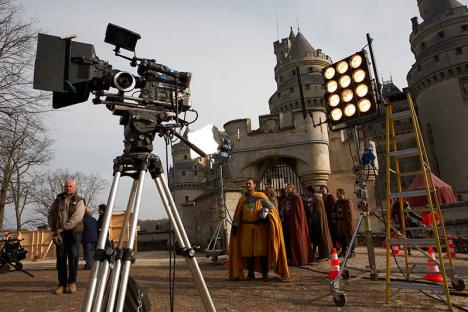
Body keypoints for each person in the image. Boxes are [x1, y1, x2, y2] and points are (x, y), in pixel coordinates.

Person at [229, 178, 289, 281]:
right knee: (248, 252)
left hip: (259, 228)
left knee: (261, 251)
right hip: (245, 228)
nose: (248, 186)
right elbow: (238, 215)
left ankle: (265, 274)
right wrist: (235, 225)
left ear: (254, 185)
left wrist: (266, 216)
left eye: (250, 184)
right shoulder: (242, 199)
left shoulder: (261, 197)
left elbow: (273, 210)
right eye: (247, 184)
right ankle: (250, 273)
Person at [48, 179, 85, 294]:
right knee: (60, 259)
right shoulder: (58, 199)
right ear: (64, 187)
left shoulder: (79, 200)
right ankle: (62, 284)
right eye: (66, 186)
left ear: (74, 188)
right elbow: (51, 214)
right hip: (60, 233)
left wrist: (64, 227)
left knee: (73, 257)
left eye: (70, 186)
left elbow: (77, 217)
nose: (68, 188)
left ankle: (72, 282)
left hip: (74, 233)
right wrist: (53, 228)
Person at [284, 183, 313, 266]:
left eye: (288, 188)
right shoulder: (291, 198)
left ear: (292, 188)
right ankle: (295, 259)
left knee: (298, 239)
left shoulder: (296, 197)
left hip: (297, 223)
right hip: (292, 222)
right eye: (286, 188)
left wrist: (297, 222)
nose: (287, 189)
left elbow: (299, 212)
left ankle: (301, 259)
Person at [308, 187, 333, 260]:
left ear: (311, 192)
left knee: (320, 238)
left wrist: (314, 218)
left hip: (318, 222)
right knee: (318, 238)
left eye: (308, 192)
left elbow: (318, 211)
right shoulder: (318, 198)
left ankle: (324, 255)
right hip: (318, 221)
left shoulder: (316, 199)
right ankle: (323, 254)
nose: (307, 194)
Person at [335, 188, 357, 257]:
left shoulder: (347, 201)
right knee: (342, 237)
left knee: (349, 236)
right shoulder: (338, 202)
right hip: (340, 222)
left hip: (346, 222)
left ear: (342, 193)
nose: (337, 194)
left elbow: (350, 213)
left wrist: (349, 222)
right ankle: (344, 250)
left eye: (338, 193)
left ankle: (352, 251)